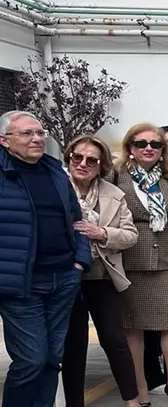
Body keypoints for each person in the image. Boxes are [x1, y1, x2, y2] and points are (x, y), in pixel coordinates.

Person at [0, 111, 91, 407]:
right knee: (31, 360)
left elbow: (77, 220)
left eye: (40, 133)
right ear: (4, 140)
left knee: (52, 359)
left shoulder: (54, 171)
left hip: (63, 278)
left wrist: (79, 262)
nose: (37, 138)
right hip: (20, 285)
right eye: (27, 133)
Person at [115, 123, 168, 407]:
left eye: (155, 144)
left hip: (167, 263)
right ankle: (140, 390)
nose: (148, 148)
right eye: (141, 143)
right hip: (129, 263)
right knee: (132, 328)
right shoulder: (117, 176)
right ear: (130, 148)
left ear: (163, 151)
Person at [60, 136, 141, 407]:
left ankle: (132, 400)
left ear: (101, 165)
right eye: (77, 157)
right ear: (69, 157)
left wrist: (101, 232)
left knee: (114, 339)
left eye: (91, 160)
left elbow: (131, 235)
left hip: (101, 276)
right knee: (74, 345)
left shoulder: (113, 194)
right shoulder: (56, 187)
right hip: (65, 277)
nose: (82, 164)